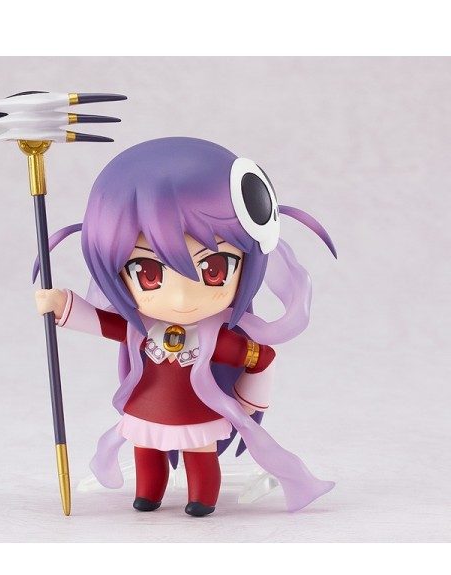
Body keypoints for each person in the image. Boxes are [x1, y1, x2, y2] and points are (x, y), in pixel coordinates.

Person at [34, 137, 336, 517]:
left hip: (198, 409)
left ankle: (202, 498)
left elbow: (260, 358)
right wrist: (63, 305)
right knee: (146, 448)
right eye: (147, 272)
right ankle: (148, 493)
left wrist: (247, 403)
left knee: (199, 452)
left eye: (214, 269)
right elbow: (103, 323)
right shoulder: (139, 329)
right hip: (147, 404)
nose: (180, 298)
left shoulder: (216, 339)